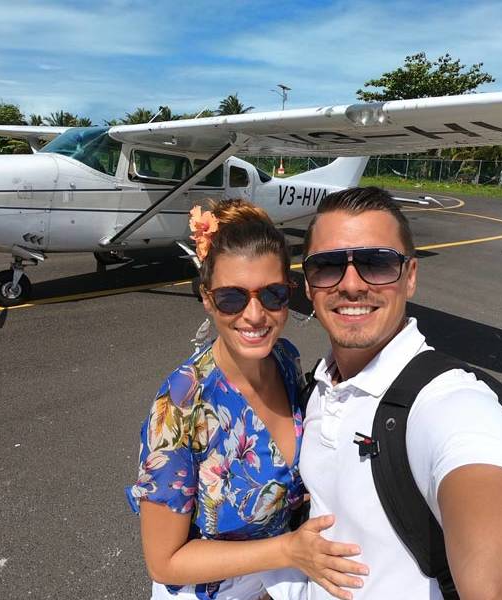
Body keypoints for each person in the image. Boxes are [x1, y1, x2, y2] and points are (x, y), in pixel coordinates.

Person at [298, 187, 502, 599]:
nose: (352, 284)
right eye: (326, 267)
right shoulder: (321, 382)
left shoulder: (449, 403)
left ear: (410, 276)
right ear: (308, 284)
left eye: (377, 264)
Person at [127, 199, 368, 600]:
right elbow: (164, 561)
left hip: (279, 583)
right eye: (232, 298)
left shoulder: (285, 360)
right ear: (207, 298)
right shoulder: (181, 406)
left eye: (273, 294)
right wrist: (287, 550)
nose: (255, 315)